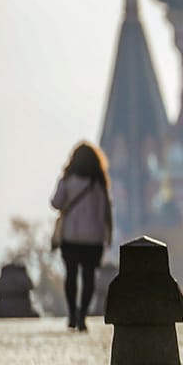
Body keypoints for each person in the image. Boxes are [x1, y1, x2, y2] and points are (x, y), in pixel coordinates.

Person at [50, 141, 113, 332]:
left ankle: (72, 314)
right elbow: (106, 211)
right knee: (88, 277)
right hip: (93, 238)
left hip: (71, 236)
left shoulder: (68, 180)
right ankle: (82, 315)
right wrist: (108, 234)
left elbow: (55, 203)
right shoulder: (99, 183)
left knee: (71, 275)